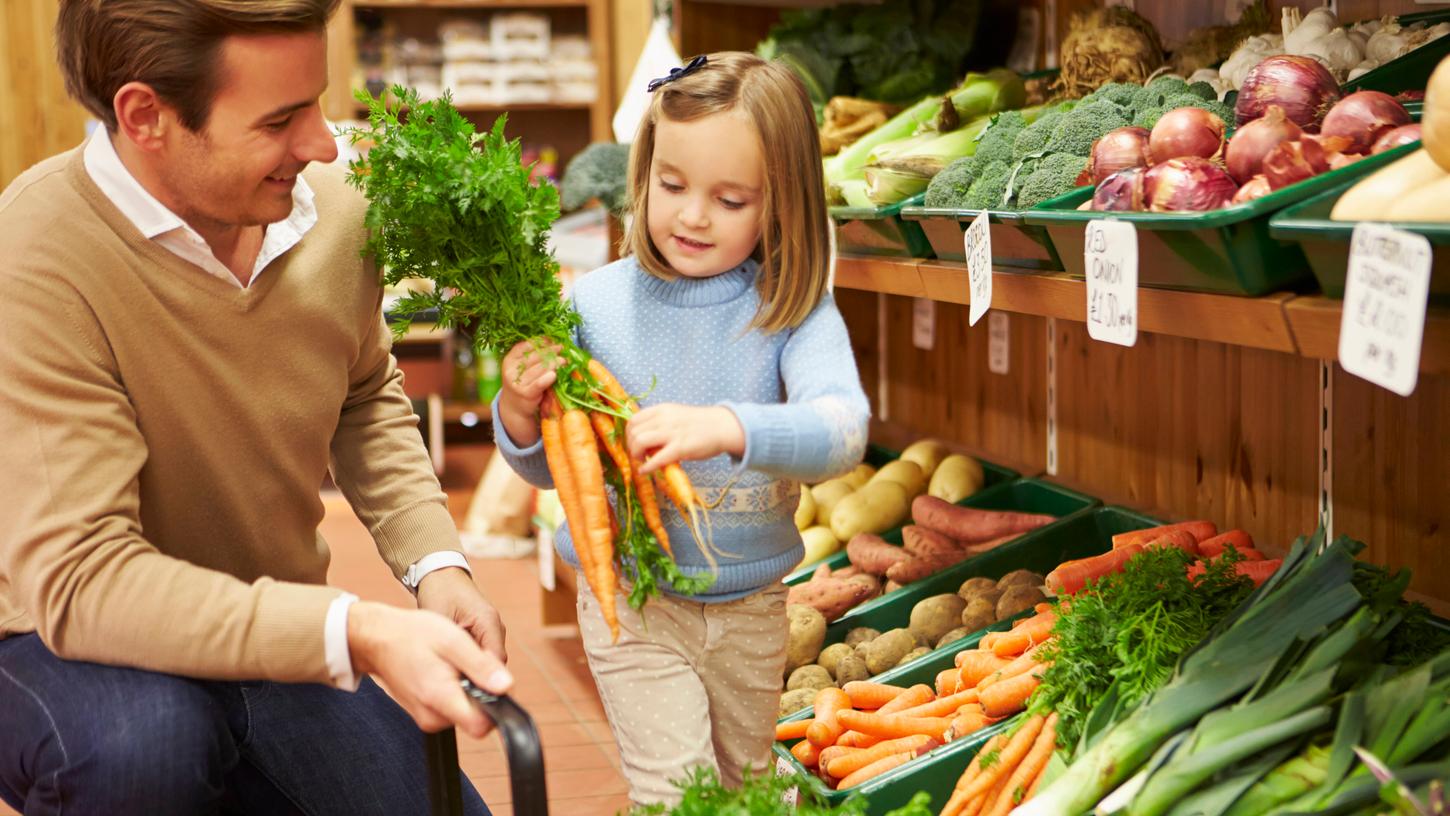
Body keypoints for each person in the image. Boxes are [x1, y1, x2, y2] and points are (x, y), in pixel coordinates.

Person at [0, 2, 511, 814]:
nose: (322, 144)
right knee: (148, 750)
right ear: (146, 116)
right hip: (58, 636)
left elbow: (363, 390)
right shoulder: (40, 251)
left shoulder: (334, 205)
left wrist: (435, 565)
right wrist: (359, 631)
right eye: (281, 120)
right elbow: (83, 582)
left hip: (267, 616)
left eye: (317, 101)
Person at [493, 51, 872, 805]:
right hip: (632, 604)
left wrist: (729, 427)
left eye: (731, 200)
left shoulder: (790, 311)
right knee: (677, 795)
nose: (693, 215)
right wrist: (517, 411)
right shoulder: (593, 307)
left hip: (756, 610)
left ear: (781, 204)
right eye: (672, 186)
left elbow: (842, 432)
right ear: (645, 174)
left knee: (745, 790)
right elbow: (551, 470)